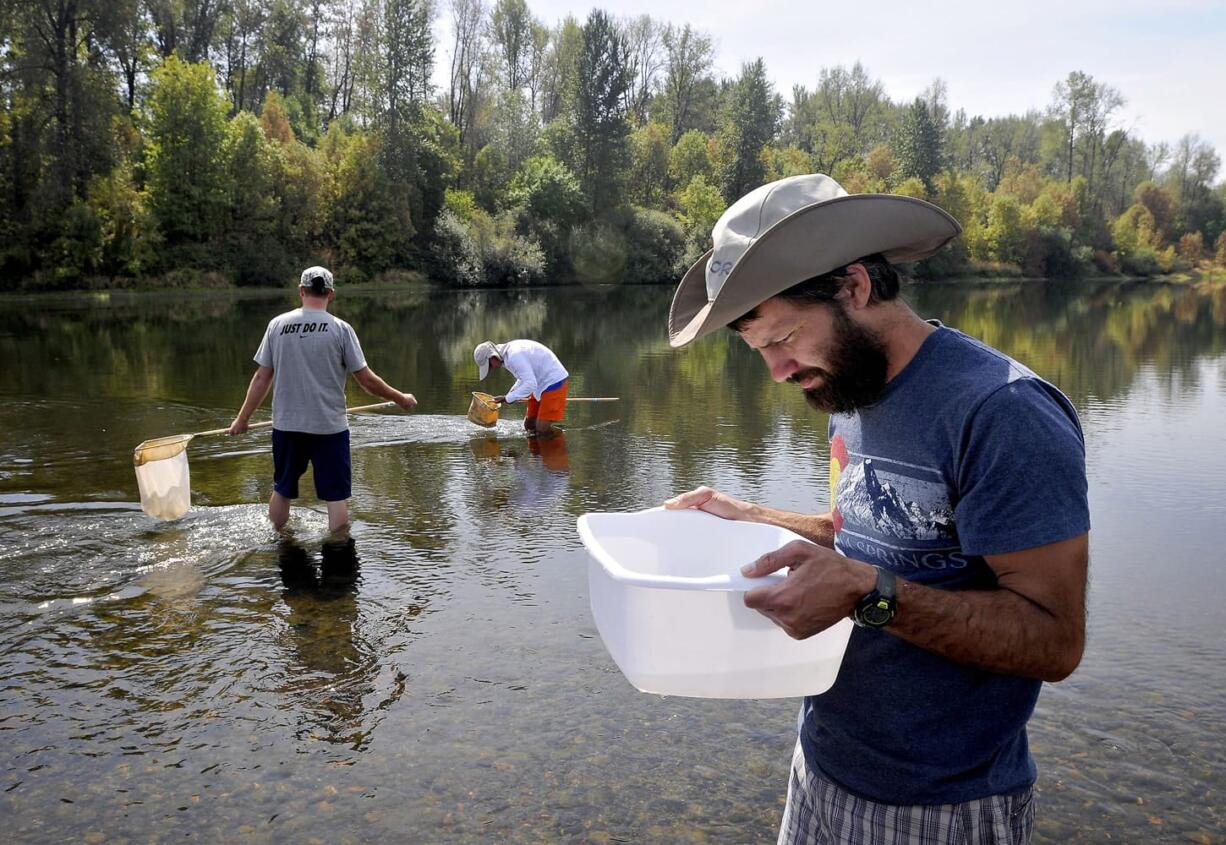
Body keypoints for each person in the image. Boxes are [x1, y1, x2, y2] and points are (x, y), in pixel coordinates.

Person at [662, 174, 1090, 845]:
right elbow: (873, 537)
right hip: (821, 770)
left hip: (942, 807)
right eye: (760, 351)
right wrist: (749, 515)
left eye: (782, 338)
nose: (776, 370)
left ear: (854, 288)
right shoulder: (848, 385)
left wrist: (870, 594)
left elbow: (1055, 640)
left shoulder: (1003, 412)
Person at [229, 267, 417, 532]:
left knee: (282, 489)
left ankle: (277, 542)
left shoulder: (277, 325)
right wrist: (401, 398)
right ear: (331, 293)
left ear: (301, 291)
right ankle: (338, 551)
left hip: (287, 426)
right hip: (329, 428)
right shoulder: (341, 329)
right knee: (336, 496)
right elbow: (367, 381)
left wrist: (242, 419)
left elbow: (262, 378)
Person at [473, 339, 569, 437]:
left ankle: (557, 441)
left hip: (553, 382)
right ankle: (536, 451)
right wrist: (510, 395)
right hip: (539, 383)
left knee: (542, 429)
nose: (491, 369)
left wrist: (507, 398)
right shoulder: (506, 357)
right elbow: (523, 378)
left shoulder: (514, 356)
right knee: (529, 425)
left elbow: (530, 384)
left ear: (493, 357)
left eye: (489, 366)